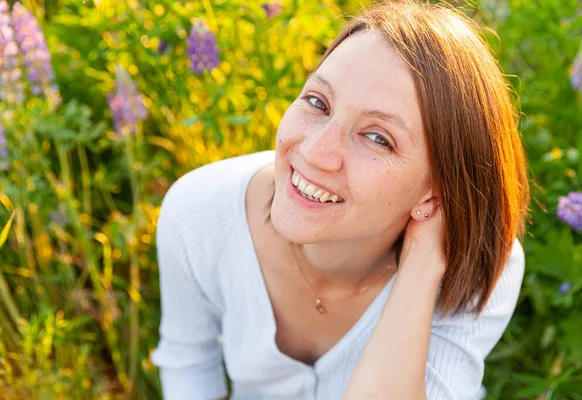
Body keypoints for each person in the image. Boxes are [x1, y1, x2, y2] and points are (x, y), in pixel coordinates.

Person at [150, 0, 530, 399]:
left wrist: (421, 269)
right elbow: (189, 365)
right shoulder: (198, 212)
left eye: (378, 137)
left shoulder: (481, 260)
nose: (315, 152)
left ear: (436, 189)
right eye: (318, 102)